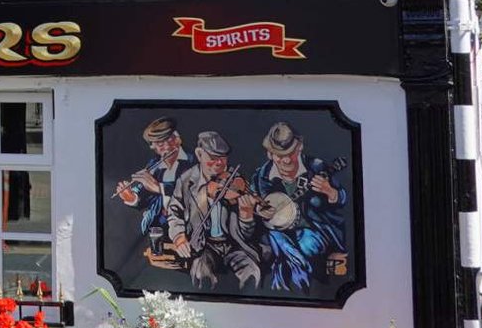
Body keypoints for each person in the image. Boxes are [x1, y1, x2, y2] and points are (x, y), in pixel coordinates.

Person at [247, 122, 347, 291]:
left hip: (315, 232)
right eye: (279, 155)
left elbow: (343, 199)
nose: (286, 160)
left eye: (291, 153)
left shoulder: (316, 168)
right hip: (277, 236)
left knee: (307, 244)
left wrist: (330, 192)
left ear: (300, 147)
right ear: (270, 154)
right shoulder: (261, 176)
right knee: (275, 240)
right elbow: (252, 201)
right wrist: (258, 209)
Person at [166, 131, 263, 290]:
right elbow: (174, 211)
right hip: (203, 246)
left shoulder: (235, 180)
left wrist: (246, 217)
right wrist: (178, 236)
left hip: (234, 245)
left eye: (223, 158)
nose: (219, 163)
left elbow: (246, 235)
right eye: (213, 157)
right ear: (199, 154)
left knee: (252, 273)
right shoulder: (186, 180)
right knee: (201, 274)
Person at [115, 116, 194, 238]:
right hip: (157, 229)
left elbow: (192, 194)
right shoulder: (154, 165)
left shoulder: (193, 162)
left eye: (170, 140)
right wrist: (132, 197)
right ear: (153, 147)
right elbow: (144, 195)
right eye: (160, 144)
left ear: (178, 139)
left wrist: (159, 188)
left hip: (185, 229)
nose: (167, 147)